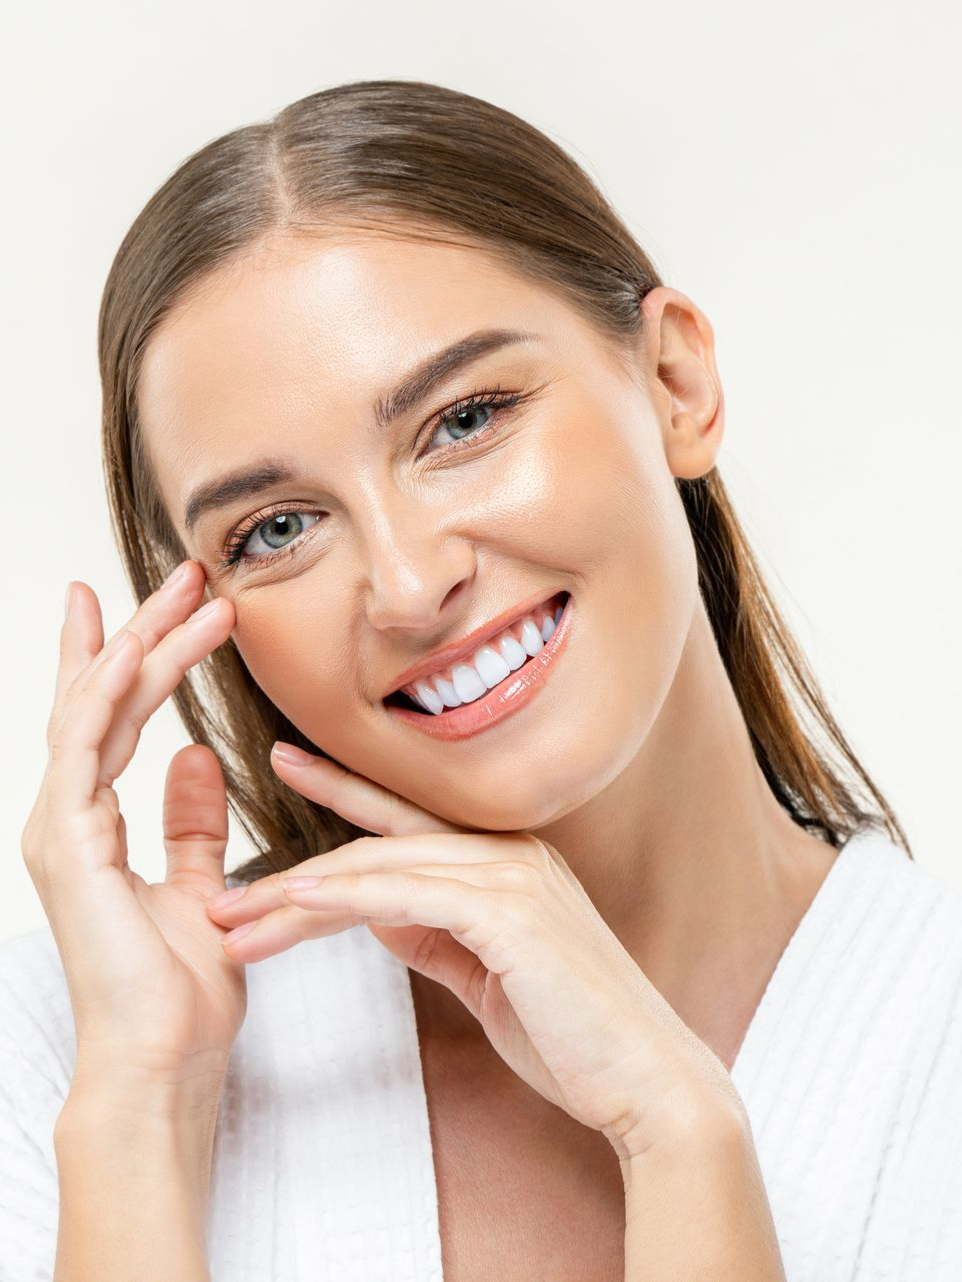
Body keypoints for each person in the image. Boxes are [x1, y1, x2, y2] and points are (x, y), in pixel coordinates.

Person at [2, 78, 960, 1282]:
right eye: (278, 527)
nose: (407, 586)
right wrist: (143, 1107)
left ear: (674, 383)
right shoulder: (76, 1054)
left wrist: (678, 1134)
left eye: (462, 421)